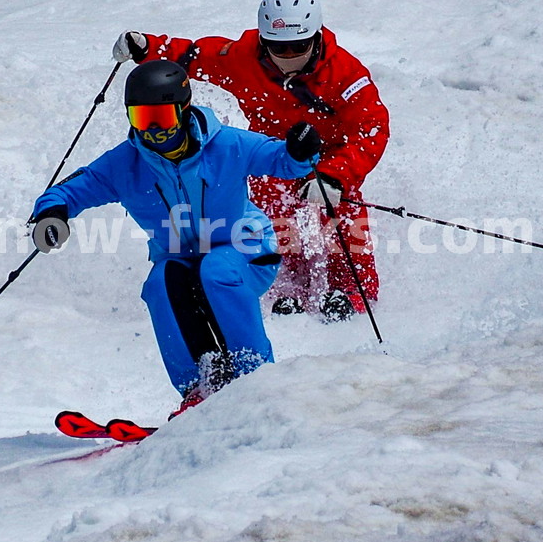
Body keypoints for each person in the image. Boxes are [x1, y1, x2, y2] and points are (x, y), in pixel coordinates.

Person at [30, 60, 323, 416]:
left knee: (216, 270)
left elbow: (283, 160)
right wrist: (52, 214)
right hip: (182, 260)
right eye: (141, 119)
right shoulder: (126, 163)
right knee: (160, 282)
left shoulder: (227, 145)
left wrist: (300, 149)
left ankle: (256, 379)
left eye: (162, 118)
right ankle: (200, 386)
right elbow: (69, 192)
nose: (152, 131)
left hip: (245, 251)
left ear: (184, 110)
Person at [112, 0, 389, 321]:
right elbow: (193, 57)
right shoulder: (243, 59)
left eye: (298, 47)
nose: (288, 57)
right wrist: (148, 48)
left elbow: (372, 129)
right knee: (267, 197)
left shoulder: (345, 74)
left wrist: (336, 174)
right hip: (273, 153)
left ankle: (351, 289)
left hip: (329, 156)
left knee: (340, 206)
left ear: (316, 38)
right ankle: (287, 281)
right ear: (262, 41)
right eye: (277, 48)